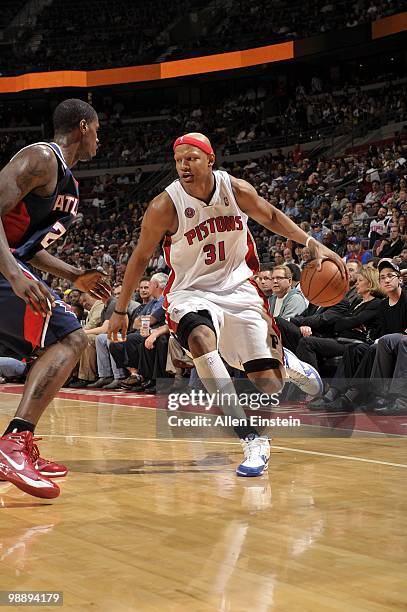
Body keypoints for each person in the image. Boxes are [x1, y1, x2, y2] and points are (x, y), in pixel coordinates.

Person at [108, 132, 347, 477]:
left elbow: (271, 216)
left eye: (191, 158)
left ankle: (286, 363)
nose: (184, 166)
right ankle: (250, 437)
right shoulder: (165, 205)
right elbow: (140, 256)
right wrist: (120, 309)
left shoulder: (235, 190)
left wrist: (311, 242)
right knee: (200, 339)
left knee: (268, 382)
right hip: (190, 291)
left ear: (210, 159)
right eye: (178, 161)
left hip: (239, 288)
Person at [0, 99, 110, 499]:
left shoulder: (65, 181)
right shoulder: (40, 158)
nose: (100, 139)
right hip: (0, 268)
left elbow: (28, 246)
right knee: (72, 338)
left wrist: (75, 276)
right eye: (98, 130)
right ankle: (13, 444)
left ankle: (19, 444)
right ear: (84, 127)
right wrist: (12, 274)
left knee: (52, 344)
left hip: (7, 263)